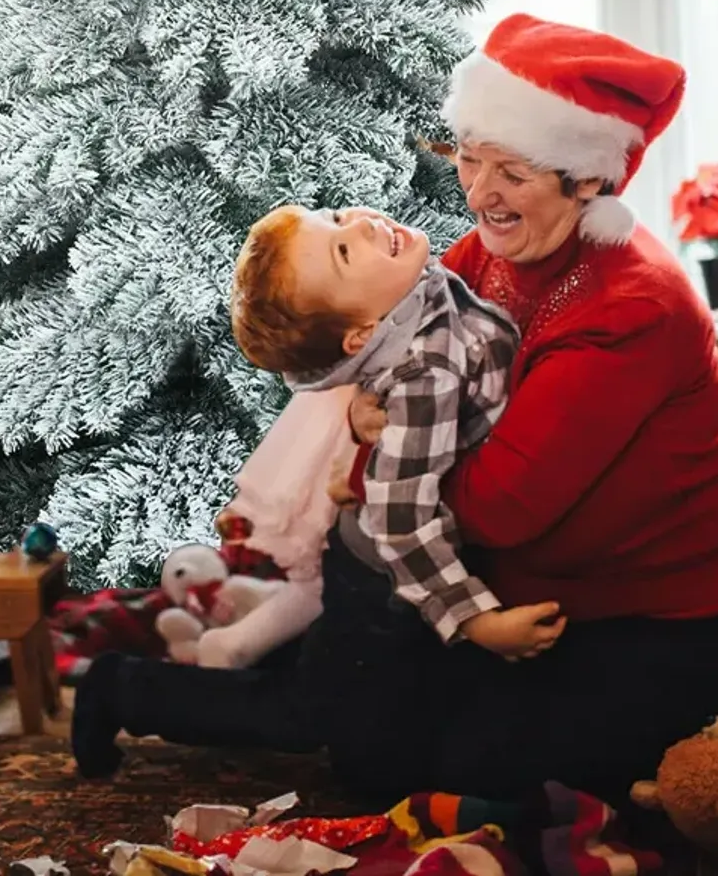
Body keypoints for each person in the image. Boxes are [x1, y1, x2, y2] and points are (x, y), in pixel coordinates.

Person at [71, 13, 718, 807]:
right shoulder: (493, 248)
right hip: (499, 589)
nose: (480, 192)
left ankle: (711, 731)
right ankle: (148, 688)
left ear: (586, 177)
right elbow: (374, 352)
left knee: (445, 760)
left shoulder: (632, 305)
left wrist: (368, 463)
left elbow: (501, 505)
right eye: (470, 158)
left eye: (512, 171)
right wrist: (364, 425)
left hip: (688, 613)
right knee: (370, 736)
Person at [226, 202, 564, 661]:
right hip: (382, 576)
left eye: (337, 217)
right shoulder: (425, 376)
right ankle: (209, 658)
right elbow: (401, 520)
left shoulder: (405, 294)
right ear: (362, 335)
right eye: (344, 252)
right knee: (324, 708)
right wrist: (476, 621)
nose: (363, 223)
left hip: (377, 554)